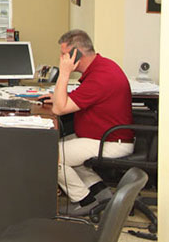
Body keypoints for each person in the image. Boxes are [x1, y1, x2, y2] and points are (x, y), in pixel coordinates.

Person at [47, 29, 133, 216]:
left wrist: (64, 73)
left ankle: (84, 200)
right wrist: (59, 96)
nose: (61, 59)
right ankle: (100, 192)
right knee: (62, 146)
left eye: (64, 55)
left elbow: (59, 109)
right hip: (103, 136)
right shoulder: (101, 67)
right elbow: (79, 99)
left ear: (76, 54)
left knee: (50, 153)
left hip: (111, 142)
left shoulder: (101, 76)